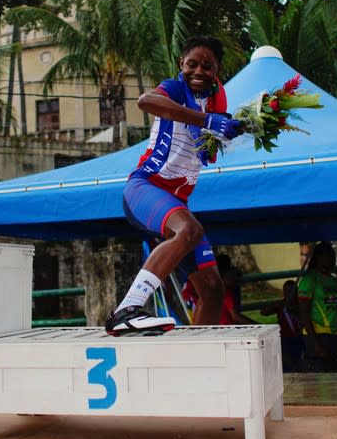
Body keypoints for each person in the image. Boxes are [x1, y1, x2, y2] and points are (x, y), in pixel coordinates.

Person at [105, 36, 243, 336]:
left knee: (213, 289)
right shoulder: (174, 89)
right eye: (192, 64)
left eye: (207, 66)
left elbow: (216, 134)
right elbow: (146, 101)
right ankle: (126, 310)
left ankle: (194, 356)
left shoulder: (218, 100)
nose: (198, 71)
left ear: (217, 70)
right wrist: (208, 120)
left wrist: (241, 128)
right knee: (190, 231)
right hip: (145, 187)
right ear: (181, 64)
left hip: (177, 200)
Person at [297, 241, 337, 372]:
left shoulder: (333, 281)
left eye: (333, 256)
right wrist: (316, 344)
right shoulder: (309, 279)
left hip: (334, 336)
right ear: (318, 257)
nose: (332, 259)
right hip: (317, 335)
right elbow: (304, 312)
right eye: (328, 256)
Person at [260, 279, 304, 372]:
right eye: (287, 291)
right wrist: (279, 304)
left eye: (292, 291)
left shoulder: (301, 305)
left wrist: (293, 310)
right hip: (285, 340)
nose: (289, 294)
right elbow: (263, 312)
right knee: (287, 363)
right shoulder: (281, 305)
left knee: (300, 362)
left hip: (300, 338)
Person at [217, 254, 255, 325]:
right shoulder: (225, 292)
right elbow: (236, 317)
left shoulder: (215, 289)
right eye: (236, 280)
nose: (237, 284)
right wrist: (259, 326)